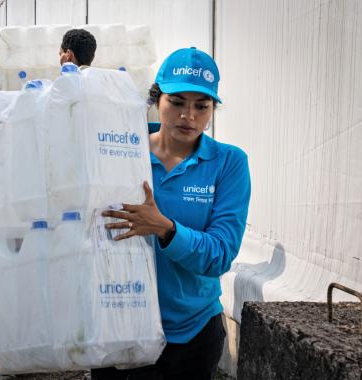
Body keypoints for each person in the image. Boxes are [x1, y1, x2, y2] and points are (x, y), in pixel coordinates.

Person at [91, 47, 251, 379]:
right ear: (156, 100)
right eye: (177, 102)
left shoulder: (228, 163)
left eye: (201, 106)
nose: (188, 116)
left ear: (212, 110)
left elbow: (220, 255)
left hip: (192, 334)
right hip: (120, 325)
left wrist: (166, 229)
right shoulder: (120, 152)